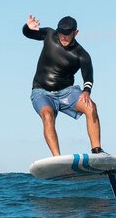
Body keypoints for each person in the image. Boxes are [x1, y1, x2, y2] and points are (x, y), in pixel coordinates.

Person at [23, 14, 105, 156]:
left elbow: (88, 77)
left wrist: (86, 91)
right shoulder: (49, 35)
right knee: (48, 116)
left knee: (91, 106)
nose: (63, 37)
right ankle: (57, 158)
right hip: (41, 91)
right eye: (61, 33)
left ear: (76, 33)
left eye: (67, 34)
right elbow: (28, 34)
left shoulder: (81, 55)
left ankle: (97, 150)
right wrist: (27, 27)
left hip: (67, 92)